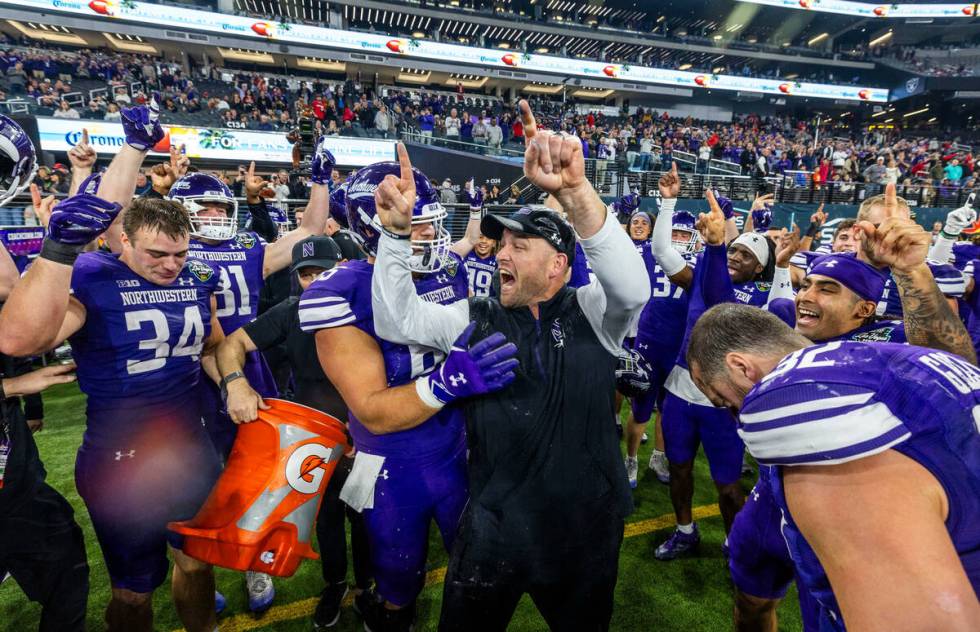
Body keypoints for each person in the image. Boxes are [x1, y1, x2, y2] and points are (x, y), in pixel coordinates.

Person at [370, 102, 649, 630]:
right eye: (502, 244)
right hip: (494, 526)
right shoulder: (474, 314)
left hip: (585, 526)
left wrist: (575, 193)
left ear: (558, 266)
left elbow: (632, 288)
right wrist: (394, 236)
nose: (501, 255)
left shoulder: (593, 310)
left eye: (520, 246)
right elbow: (398, 320)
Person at [0, 191, 225, 632]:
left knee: (197, 566)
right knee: (133, 591)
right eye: (156, 253)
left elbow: (212, 343)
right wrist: (58, 250)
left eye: (180, 253)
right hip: (121, 465)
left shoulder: (198, 276)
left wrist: (233, 382)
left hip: (189, 450)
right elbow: (26, 340)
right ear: (123, 240)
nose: (170, 264)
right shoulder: (91, 275)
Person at [298, 156, 501, 632]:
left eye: (431, 226)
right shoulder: (340, 290)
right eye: (418, 227)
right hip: (390, 462)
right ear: (374, 228)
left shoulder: (447, 269)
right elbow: (372, 410)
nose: (431, 238)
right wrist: (449, 381)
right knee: (396, 578)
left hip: (456, 447)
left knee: (475, 568)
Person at [686, 305, 980, 632]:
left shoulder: (818, 427)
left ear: (742, 368)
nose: (734, 416)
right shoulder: (899, 357)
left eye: (725, 401)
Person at [165, 140, 332, 613]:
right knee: (200, 475)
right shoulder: (170, 251)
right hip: (190, 370)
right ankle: (200, 564)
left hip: (247, 359)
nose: (216, 215)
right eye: (206, 207)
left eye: (222, 207)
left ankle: (255, 560)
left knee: (257, 468)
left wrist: (318, 181)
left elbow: (309, 231)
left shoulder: (246, 246)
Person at [215, 235, 373, 629]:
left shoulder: (369, 306)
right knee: (328, 519)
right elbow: (231, 344)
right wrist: (236, 382)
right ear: (296, 278)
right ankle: (336, 584)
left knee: (369, 517)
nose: (316, 281)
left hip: (367, 431)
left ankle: (370, 586)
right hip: (316, 439)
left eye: (326, 271)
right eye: (307, 274)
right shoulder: (291, 311)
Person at [625, 208, 701, 488]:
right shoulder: (648, 252)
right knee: (641, 406)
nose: (680, 238)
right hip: (650, 339)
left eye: (684, 234)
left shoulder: (702, 260)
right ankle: (630, 458)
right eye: (675, 233)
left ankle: (658, 456)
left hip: (682, 345)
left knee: (667, 410)